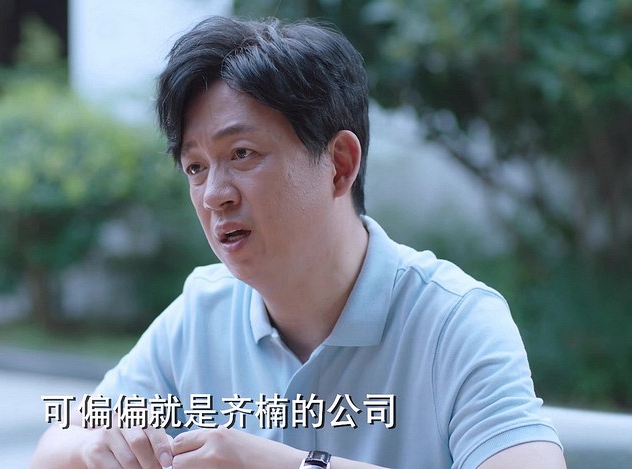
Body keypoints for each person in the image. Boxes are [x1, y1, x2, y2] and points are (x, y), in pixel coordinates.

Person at [31, 16, 566, 469]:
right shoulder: (202, 312)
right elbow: (54, 448)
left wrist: (284, 463)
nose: (214, 195)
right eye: (195, 167)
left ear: (339, 165)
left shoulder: (454, 321)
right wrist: (102, 446)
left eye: (242, 154)